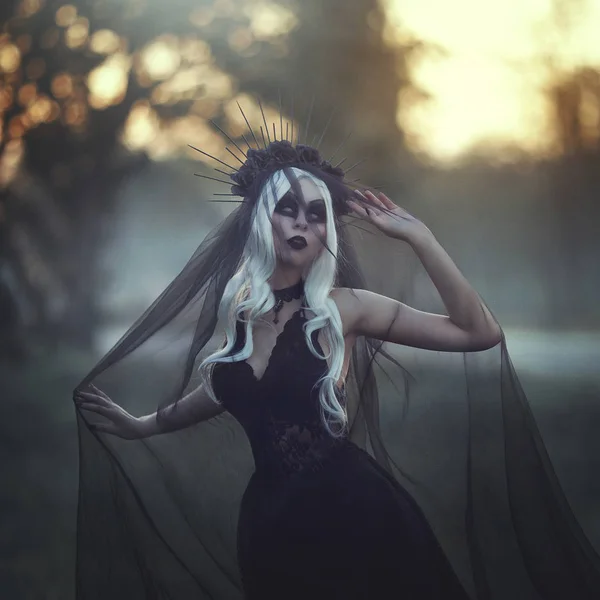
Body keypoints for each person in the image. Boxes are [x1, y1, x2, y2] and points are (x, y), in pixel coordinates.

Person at [73, 117, 600, 599]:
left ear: (327, 231)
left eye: (317, 214)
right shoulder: (244, 309)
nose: (303, 223)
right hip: (269, 524)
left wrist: (420, 238)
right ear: (263, 220)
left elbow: (478, 331)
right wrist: (142, 425)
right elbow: (221, 389)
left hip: (352, 515)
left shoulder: (343, 309)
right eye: (288, 209)